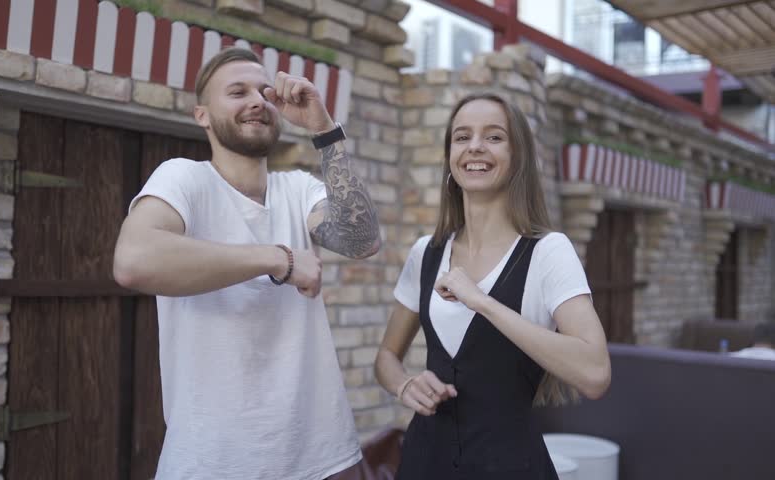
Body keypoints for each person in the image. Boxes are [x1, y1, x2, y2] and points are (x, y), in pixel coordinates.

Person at [113, 47, 380, 480]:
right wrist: (278, 259)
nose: (257, 100)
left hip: (322, 459)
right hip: (212, 463)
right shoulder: (184, 179)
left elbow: (363, 240)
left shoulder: (298, 189)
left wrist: (325, 130)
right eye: (238, 92)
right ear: (202, 115)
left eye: (264, 92)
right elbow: (133, 260)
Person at [374, 92, 611, 479]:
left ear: (517, 157)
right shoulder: (426, 253)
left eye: (494, 137)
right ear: (450, 156)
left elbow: (595, 374)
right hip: (423, 463)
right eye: (462, 137)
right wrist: (405, 385)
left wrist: (482, 301)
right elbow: (386, 355)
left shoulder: (548, 252)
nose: (475, 147)